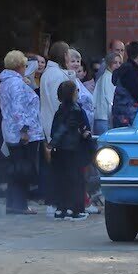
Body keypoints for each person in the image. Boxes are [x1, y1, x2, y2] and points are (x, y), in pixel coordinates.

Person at [0, 50, 43, 215]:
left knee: (16, 168)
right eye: (24, 65)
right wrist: (24, 130)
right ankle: (20, 204)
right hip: (22, 133)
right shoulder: (16, 84)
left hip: (10, 130)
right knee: (22, 169)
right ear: (19, 66)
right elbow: (19, 109)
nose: (26, 68)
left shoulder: (5, 82)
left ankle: (13, 203)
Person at [48, 80, 91, 221]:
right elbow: (83, 129)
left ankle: (61, 208)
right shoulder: (77, 110)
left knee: (61, 179)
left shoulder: (59, 111)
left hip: (59, 150)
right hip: (74, 149)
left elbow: (54, 130)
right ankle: (76, 210)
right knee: (76, 180)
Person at [38, 42, 73, 213]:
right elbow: (59, 102)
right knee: (60, 168)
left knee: (53, 166)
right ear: (63, 55)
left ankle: (54, 202)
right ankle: (57, 203)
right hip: (56, 125)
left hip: (48, 123)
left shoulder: (48, 73)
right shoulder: (58, 75)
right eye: (67, 53)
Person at [92, 51, 120, 134]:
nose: (118, 65)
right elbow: (110, 101)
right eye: (115, 63)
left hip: (100, 117)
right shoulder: (109, 78)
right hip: (105, 119)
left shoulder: (103, 77)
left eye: (120, 63)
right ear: (109, 64)